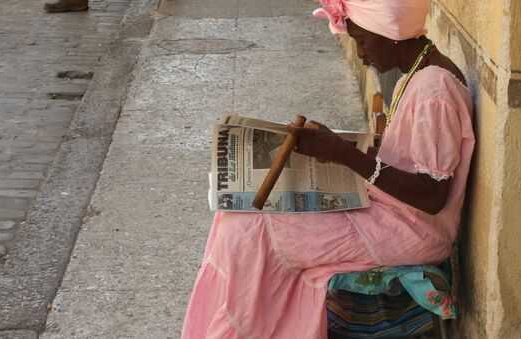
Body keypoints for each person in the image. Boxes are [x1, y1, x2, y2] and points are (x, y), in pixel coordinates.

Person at [181, 0, 475, 338]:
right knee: (235, 212)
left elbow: (432, 195)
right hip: (390, 214)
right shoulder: (418, 76)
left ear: (389, 34)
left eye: (362, 40)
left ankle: (244, 328)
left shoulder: (434, 88)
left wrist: (343, 155)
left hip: (411, 231)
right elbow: (408, 158)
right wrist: (334, 149)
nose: (362, 54)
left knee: (249, 233)